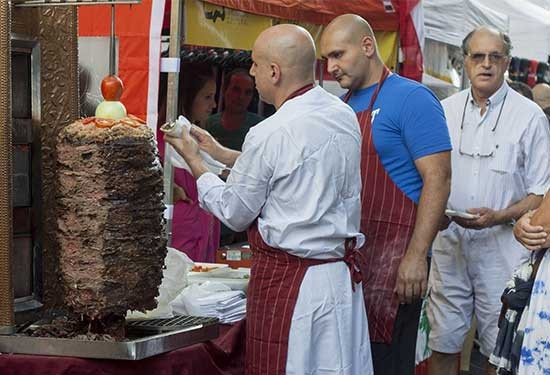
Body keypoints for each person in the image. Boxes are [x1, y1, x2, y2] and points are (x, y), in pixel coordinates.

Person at [165, 24, 372, 375]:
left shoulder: (269, 132)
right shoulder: (342, 115)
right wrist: (221, 153)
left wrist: (195, 160)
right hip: (337, 278)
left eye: (256, 65)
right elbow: (293, 169)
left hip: (294, 286)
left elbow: (234, 212)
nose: (251, 72)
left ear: (274, 72)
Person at [320, 14, 452, 375]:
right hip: (353, 261)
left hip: (396, 262)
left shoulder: (413, 98)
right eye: (325, 59)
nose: (330, 67)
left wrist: (415, 256)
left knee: (388, 364)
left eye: (337, 55)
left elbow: (438, 179)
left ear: (367, 46)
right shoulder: (340, 108)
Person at [427, 26, 550, 375]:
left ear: (507, 63)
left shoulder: (530, 117)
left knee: (500, 349)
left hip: (504, 249)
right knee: (444, 339)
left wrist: (500, 215)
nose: (486, 64)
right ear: (464, 61)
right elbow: (430, 177)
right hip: (450, 243)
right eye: (477, 56)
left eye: (495, 57)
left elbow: (542, 193)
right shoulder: (444, 111)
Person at [157, 63, 220, 262]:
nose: (215, 105)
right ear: (188, 97)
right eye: (207, 97)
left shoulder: (202, 139)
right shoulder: (163, 141)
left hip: (201, 238)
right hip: (181, 244)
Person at [206, 69, 263, 151]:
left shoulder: (259, 126)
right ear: (224, 90)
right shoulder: (208, 124)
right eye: (236, 90)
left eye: (247, 92)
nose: (241, 97)